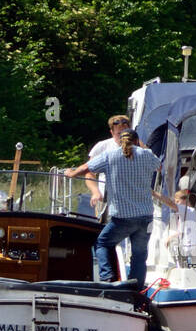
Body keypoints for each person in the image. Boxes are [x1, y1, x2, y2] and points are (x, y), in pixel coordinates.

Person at [64, 128, 160, 287]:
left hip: (123, 217)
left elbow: (87, 168)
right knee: (140, 255)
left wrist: (72, 173)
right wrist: (142, 147)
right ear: (136, 141)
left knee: (102, 243)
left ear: (119, 141)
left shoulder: (110, 156)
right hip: (146, 217)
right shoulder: (147, 155)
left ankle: (108, 279)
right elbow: (159, 166)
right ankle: (134, 290)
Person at [82, 114, 131, 220]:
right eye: (119, 133)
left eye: (125, 133)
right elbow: (89, 172)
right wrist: (95, 192)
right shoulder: (103, 146)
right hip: (106, 200)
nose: (122, 136)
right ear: (112, 133)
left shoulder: (139, 148)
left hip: (131, 200)